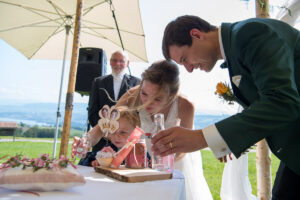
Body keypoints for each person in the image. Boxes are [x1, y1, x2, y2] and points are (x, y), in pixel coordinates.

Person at [151, 15, 300, 200]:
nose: (188, 69)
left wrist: (202, 137)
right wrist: (224, 141)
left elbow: (282, 102)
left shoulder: (251, 33)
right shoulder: (237, 44)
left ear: (196, 35)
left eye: (185, 59)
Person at [116, 60, 213, 200]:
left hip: (173, 166)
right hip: (140, 165)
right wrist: (88, 138)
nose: (147, 102)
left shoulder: (186, 107)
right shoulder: (133, 95)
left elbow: (183, 149)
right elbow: (109, 122)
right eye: (144, 94)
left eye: (157, 99)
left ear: (171, 95)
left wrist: (163, 162)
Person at [72, 106, 140, 167]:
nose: (117, 136)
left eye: (123, 132)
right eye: (113, 131)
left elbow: (146, 163)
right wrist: (93, 162)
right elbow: (85, 162)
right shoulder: (107, 149)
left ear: (134, 133)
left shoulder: (139, 150)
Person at [88, 50, 141, 127]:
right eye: (114, 60)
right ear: (110, 62)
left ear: (127, 63)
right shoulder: (98, 82)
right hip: (102, 134)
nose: (117, 64)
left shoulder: (137, 83)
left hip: (126, 135)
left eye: (121, 61)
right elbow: (92, 111)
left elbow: (138, 112)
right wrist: (103, 131)